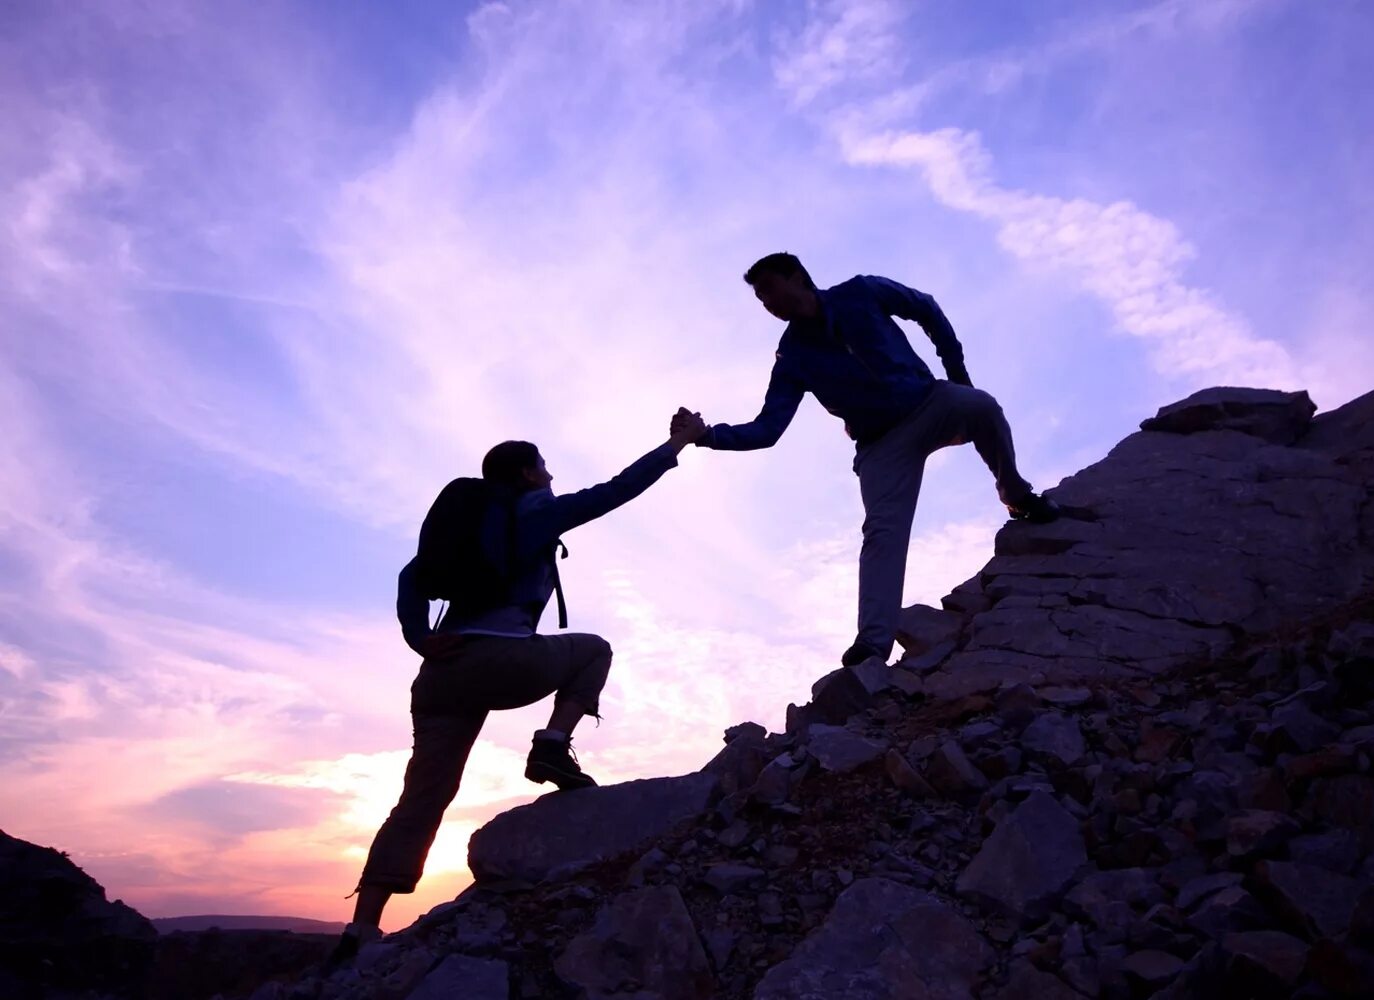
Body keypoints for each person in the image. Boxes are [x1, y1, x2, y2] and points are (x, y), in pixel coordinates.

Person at [329, 410, 708, 962]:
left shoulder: (469, 526)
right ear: (529, 474)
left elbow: (411, 576)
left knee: (421, 798)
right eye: (545, 468)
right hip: (501, 661)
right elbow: (617, 491)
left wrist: (419, 638)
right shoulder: (534, 513)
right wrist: (677, 443)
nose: (551, 476)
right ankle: (552, 745)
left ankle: (360, 930)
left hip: (440, 675)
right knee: (593, 650)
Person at [674, 252, 1062, 669]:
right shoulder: (791, 357)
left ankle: (1016, 494)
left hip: (929, 402)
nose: (766, 303)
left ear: (797, 276)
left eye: (768, 289)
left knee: (982, 406)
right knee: (882, 533)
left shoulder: (861, 292)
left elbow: (925, 307)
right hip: (881, 446)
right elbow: (768, 429)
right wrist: (707, 436)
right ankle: (873, 644)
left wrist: (957, 375)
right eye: (759, 298)